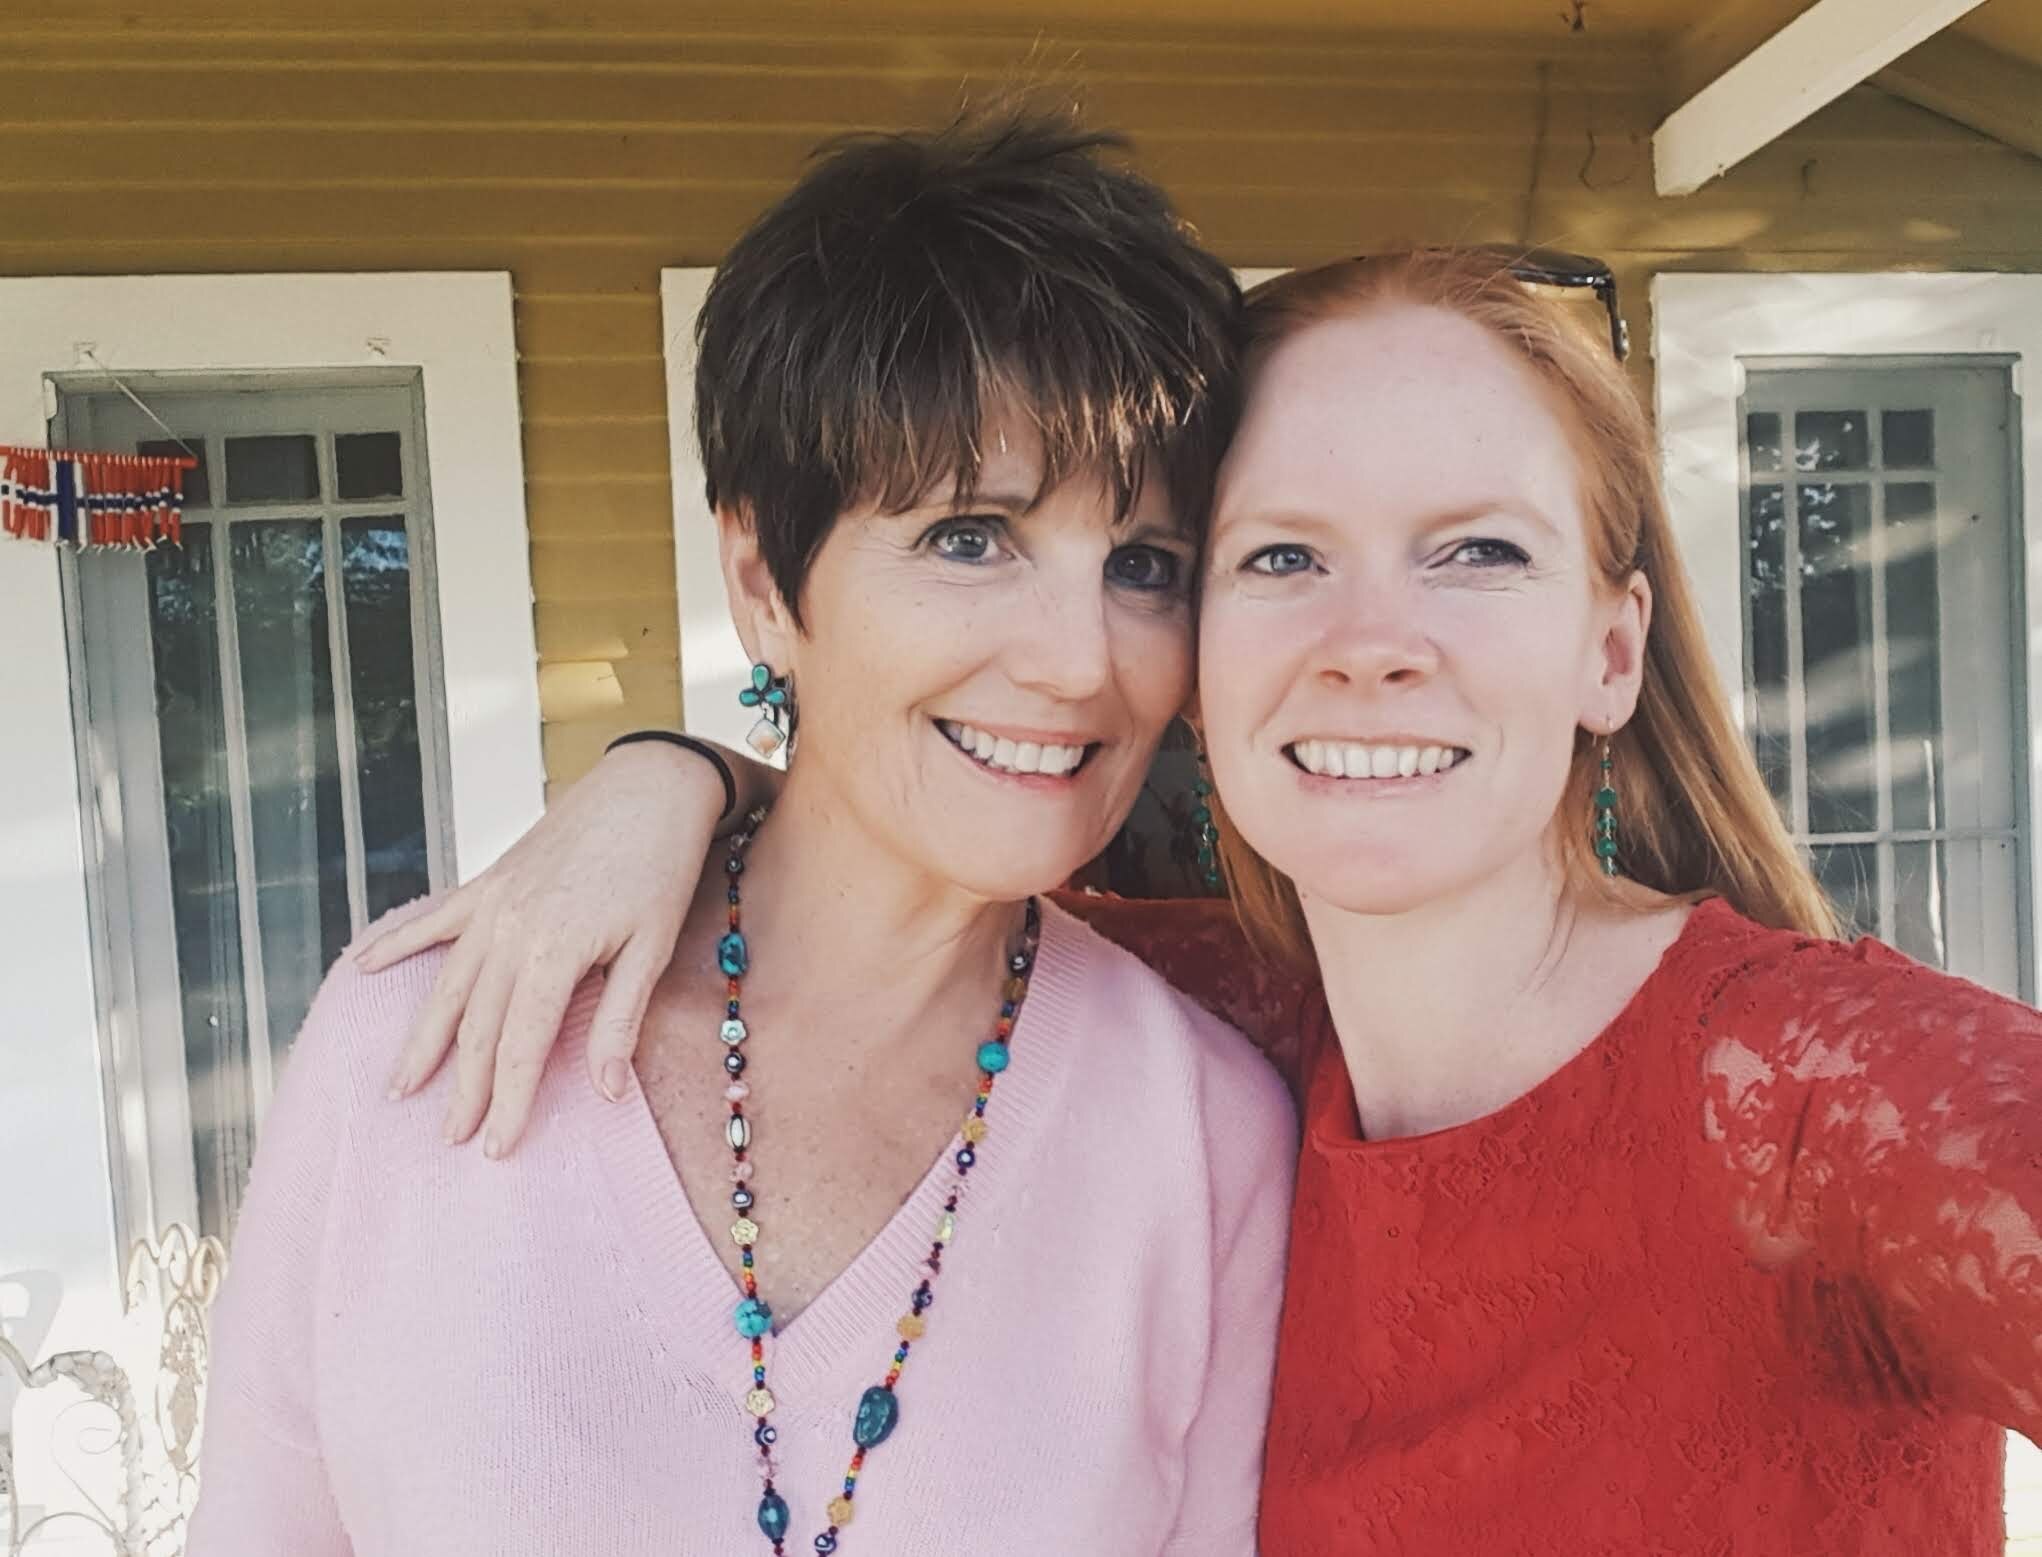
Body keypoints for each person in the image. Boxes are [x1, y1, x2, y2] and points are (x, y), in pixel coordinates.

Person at [373, 244, 2042, 1554]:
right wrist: (677, 777)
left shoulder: (1821, 1102)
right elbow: (879, 862)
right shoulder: (1206, 1024)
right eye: (1279, 556)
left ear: (1610, 649)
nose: (1371, 641)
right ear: (1195, 655)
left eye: (1476, 550)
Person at [187, 108, 1297, 1557]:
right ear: (765, 576)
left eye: (1143, 565)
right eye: (969, 537)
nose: (1082, 661)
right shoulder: (414, 1038)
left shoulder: (1206, 1137)